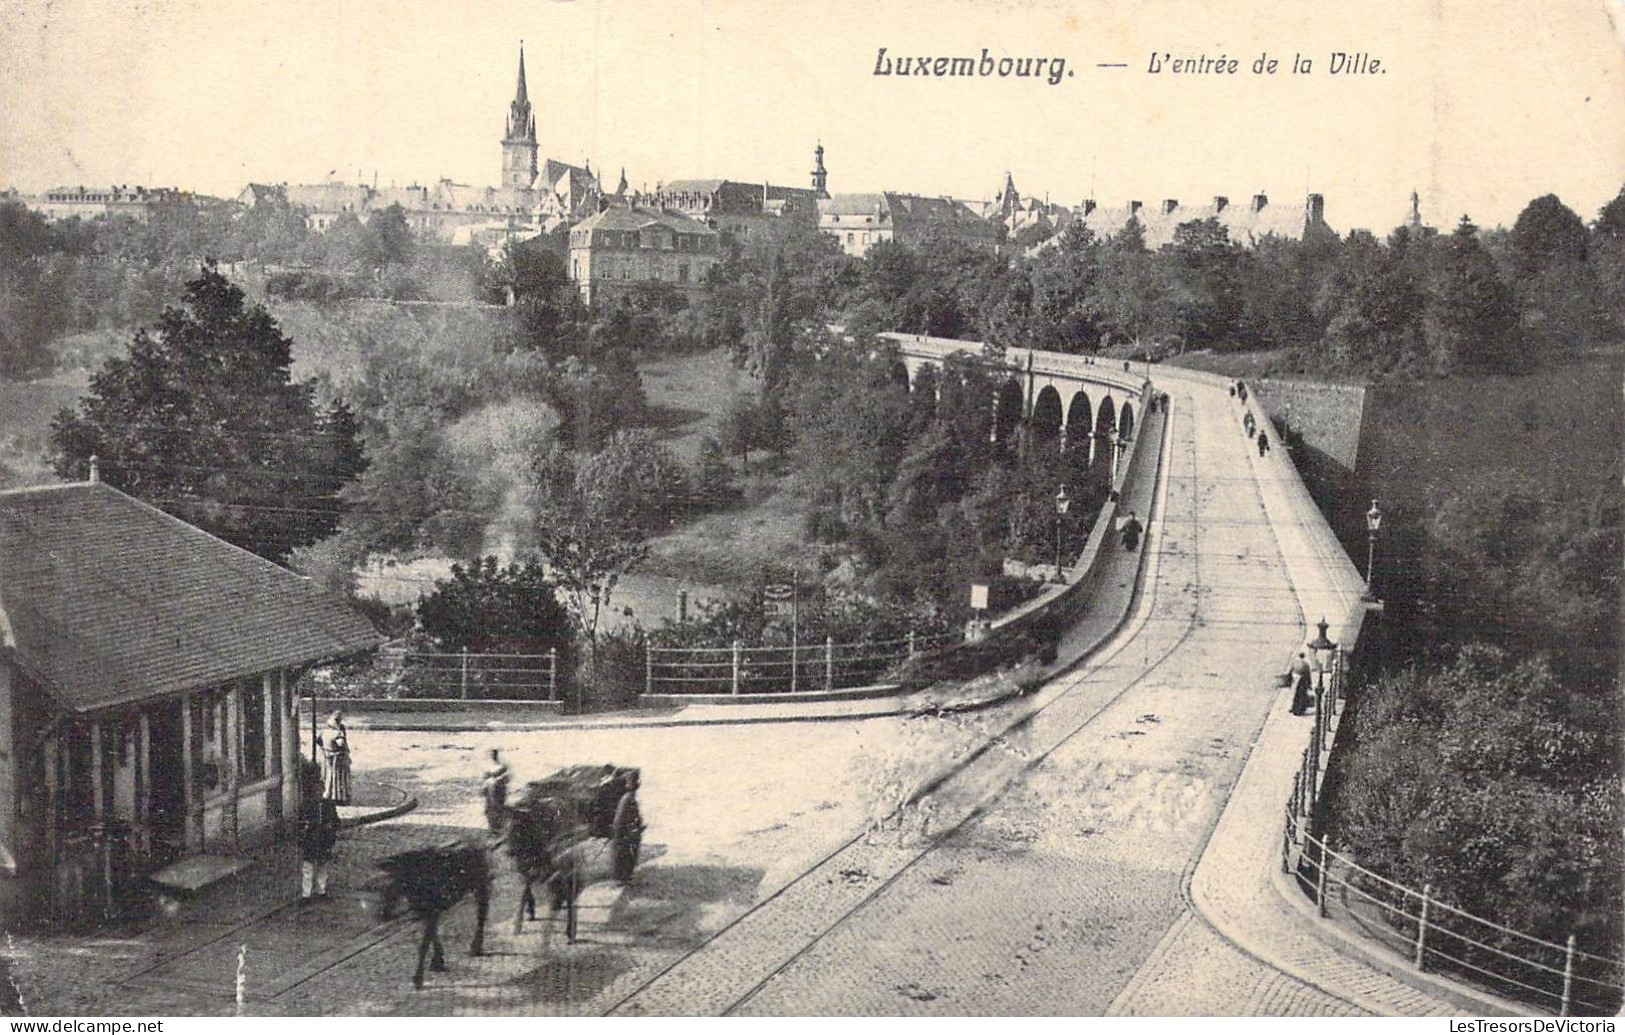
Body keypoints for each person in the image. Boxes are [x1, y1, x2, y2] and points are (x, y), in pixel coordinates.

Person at [299, 796, 340, 901]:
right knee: (308, 867)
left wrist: (331, 829)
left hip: (324, 840)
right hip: (310, 841)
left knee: (323, 866)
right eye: (315, 789)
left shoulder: (329, 805)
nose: (317, 792)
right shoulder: (307, 805)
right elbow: (300, 824)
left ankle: (321, 891)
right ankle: (306, 894)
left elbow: (336, 822)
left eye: (320, 789)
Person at [318, 710, 352, 805]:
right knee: (338, 778)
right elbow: (341, 744)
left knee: (328, 776)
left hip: (326, 757)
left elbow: (318, 741)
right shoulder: (337, 734)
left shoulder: (323, 732)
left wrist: (325, 749)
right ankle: (338, 797)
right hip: (338, 759)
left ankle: (327, 794)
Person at [481, 749, 511, 835]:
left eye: (494, 755)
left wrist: (499, 780)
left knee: (498, 807)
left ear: (497, 755)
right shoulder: (488, 766)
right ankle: (492, 828)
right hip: (489, 791)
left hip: (499, 790)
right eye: (491, 755)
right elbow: (484, 778)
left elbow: (507, 777)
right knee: (489, 808)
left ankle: (499, 828)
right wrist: (485, 786)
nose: (493, 756)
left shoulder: (502, 766)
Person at [1289, 651, 1315, 715]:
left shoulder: (1294, 662)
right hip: (1302, 680)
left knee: (1293, 693)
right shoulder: (1306, 664)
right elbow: (1308, 674)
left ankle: (1292, 707)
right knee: (1302, 695)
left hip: (1294, 678)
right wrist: (1309, 684)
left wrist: (1289, 680)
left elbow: (1290, 671)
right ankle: (1300, 709)